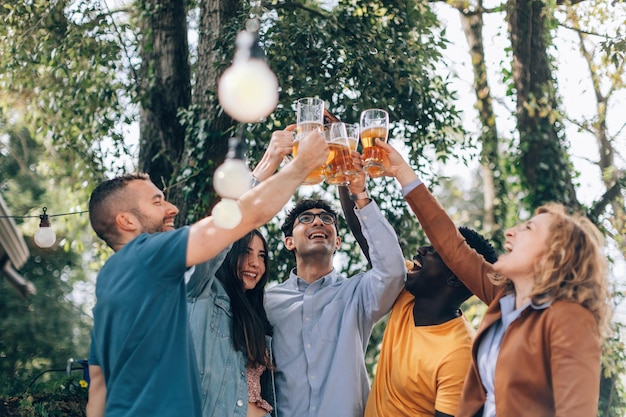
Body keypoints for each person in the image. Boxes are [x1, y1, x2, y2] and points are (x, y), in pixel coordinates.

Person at [85, 129, 329, 417]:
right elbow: (239, 219)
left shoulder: (111, 281)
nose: (172, 208)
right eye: (157, 201)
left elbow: (99, 385)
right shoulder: (147, 254)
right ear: (126, 221)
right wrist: (301, 165)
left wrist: (270, 160)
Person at [375, 138, 612, 417]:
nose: (511, 231)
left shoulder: (570, 320)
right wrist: (402, 171)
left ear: (554, 257)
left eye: (529, 229)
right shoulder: (505, 298)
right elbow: (450, 243)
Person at [263, 163, 407, 417]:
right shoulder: (267, 302)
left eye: (326, 219)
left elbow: (394, 271)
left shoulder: (358, 294)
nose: (318, 221)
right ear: (289, 242)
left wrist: (361, 196)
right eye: (306, 219)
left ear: (337, 242)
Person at [363, 226, 498, 417]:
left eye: (435, 250)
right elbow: (370, 240)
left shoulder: (461, 354)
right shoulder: (409, 289)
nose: (421, 250)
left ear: (454, 278)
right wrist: (356, 196)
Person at [187, 230, 277, 417]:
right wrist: (238, 219)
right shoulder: (204, 292)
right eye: (246, 252)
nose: (255, 263)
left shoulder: (256, 316)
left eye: (261, 256)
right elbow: (207, 251)